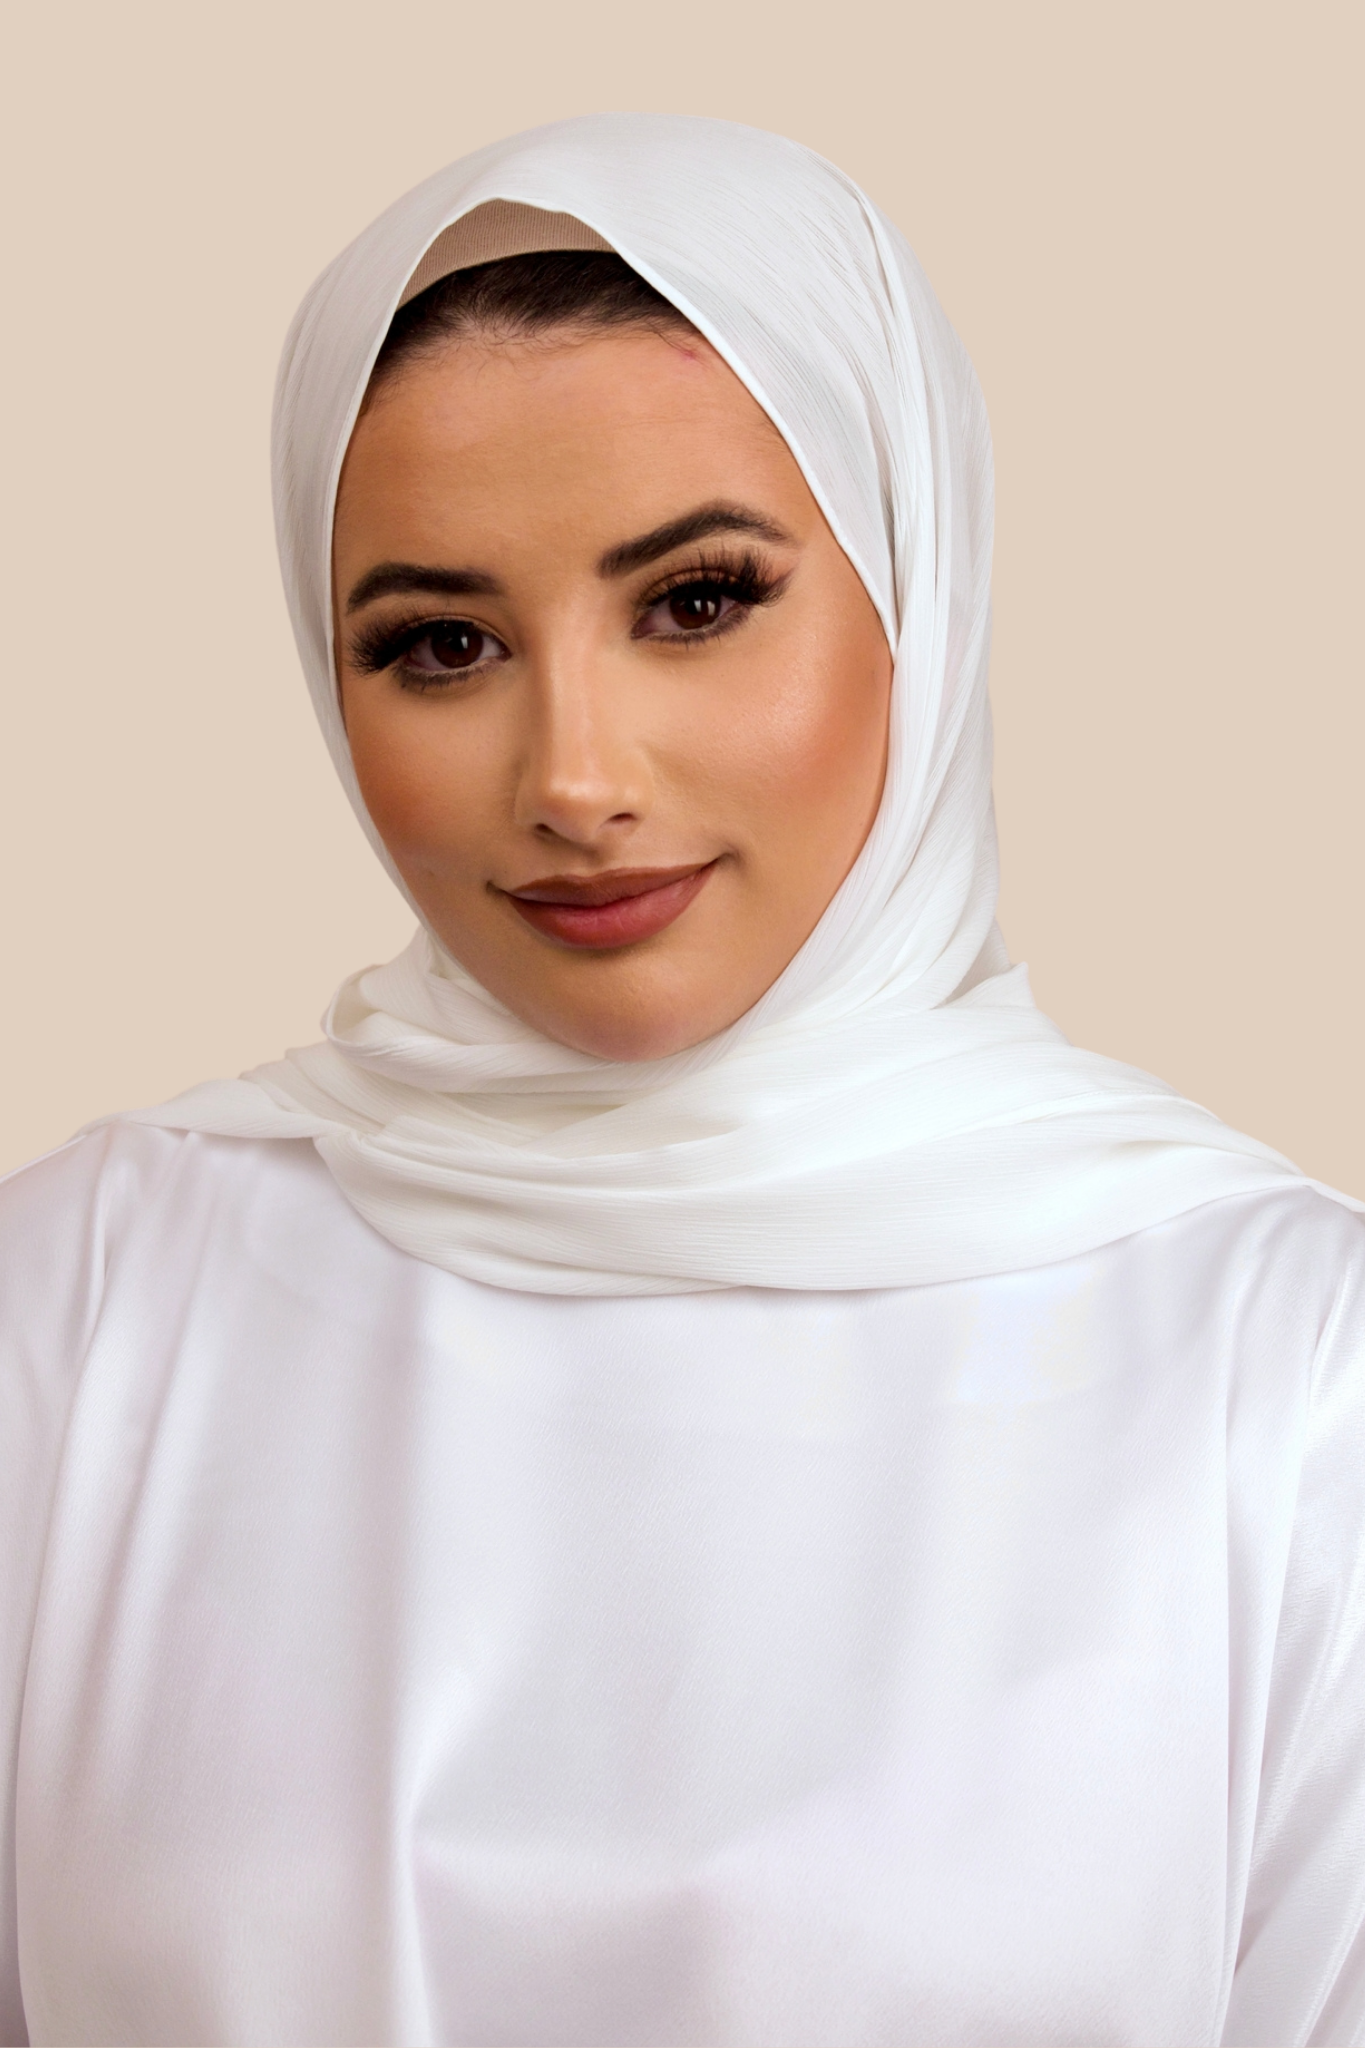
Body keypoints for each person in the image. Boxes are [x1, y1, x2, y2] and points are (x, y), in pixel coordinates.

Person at [1, 112, 1361, 2048]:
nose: (575, 777)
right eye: (441, 643)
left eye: (697, 601)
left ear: (920, 588)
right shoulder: (80, 1307)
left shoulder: (1289, 1375)